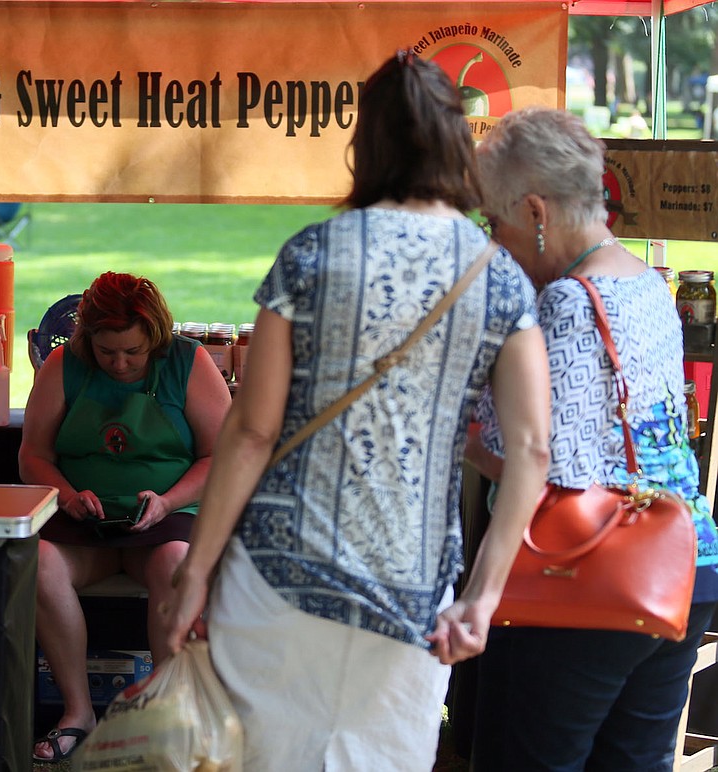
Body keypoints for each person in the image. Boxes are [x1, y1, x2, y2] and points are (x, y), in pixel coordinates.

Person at [158, 51, 552, 772]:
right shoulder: (499, 277)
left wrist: (194, 576)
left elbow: (252, 431)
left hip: (277, 577)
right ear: (455, 143)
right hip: (411, 596)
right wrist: (483, 597)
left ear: (363, 143)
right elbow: (531, 451)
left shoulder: (310, 255)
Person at [468, 107, 718, 772]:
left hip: (586, 577)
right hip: (682, 564)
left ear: (535, 210)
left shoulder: (567, 305)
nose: (496, 242)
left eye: (496, 222)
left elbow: (529, 461)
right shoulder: (644, 281)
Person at [19, 272, 231, 762]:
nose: (118, 363)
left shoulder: (189, 362)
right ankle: (77, 712)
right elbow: (33, 456)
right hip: (81, 521)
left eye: (132, 352)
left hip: (166, 520)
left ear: (154, 336)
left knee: (177, 565)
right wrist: (68, 496)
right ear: (85, 338)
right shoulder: (62, 364)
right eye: (106, 351)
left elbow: (219, 456)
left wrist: (168, 501)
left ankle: (167, 715)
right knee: (40, 561)